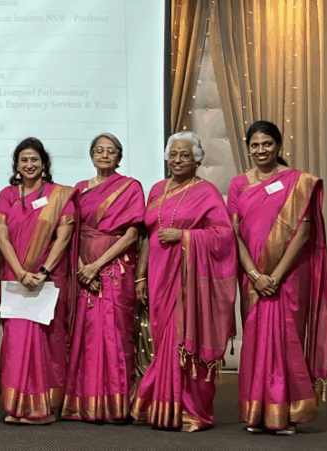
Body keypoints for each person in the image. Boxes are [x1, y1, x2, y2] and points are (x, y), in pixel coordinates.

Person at [228, 121, 327, 435]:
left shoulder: (297, 182)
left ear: (278, 146)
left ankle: (285, 414)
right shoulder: (237, 184)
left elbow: (303, 232)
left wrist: (274, 274)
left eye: (267, 144)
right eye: (255, 145)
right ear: (248, 148)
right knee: (256, 343)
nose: (261, 151)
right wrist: (256, 275)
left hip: (288, 276)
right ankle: (257, 414)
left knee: (286, 342)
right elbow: (234, 235)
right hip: (253, 279)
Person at [130, 131, 237, 432]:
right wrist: (140, 276)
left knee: (182, 341)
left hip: (190, 281)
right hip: (158, 275)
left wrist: (184, 236)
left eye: (185, 155)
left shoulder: (207, 192)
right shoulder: (156, 189)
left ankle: (190, 411)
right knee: (164, 340)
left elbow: (224, 236)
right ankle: (163, 406)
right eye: (173, 154)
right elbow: (149, 236)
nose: (177, 160)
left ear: (197, 160)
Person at [62, 133, 145, 422]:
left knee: (115, 334)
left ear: (119, 157)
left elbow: (133, 234)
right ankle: (82, 404)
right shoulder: (79, 190)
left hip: (115, 269)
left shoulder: (130, 187)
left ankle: (116, 406)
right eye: (99, 150)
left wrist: (96, 266)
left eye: (111, 151)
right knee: (85, 334)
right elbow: (71, 234)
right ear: (91, 155)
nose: (104, 154)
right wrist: (83, 267)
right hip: (82, 270)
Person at [0, 137, 76, 425]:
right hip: (15, 279)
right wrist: (19, 272)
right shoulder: (7, 195)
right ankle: (17, 406)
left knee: (46, 341)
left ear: (44, 164)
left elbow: (63, 238)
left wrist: (43, 271)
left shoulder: (59, 195)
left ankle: (42, 409)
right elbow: (1, 235)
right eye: (24, 160)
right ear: (16, 165)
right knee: (16, 341)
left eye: (35, 160)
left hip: (47, 280)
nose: (29, 165)